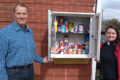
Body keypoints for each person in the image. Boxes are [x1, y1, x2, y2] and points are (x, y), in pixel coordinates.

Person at [0, 3, 50, 80]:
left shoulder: (29, 32)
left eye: (24, 14)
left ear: (27, 15)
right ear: (14, 15)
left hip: (29, 71)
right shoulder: (4, 33)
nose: (22, 16)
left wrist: (42, 60)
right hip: (13, 74)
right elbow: (1, 59)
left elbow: (30, 54)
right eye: (19, 13)